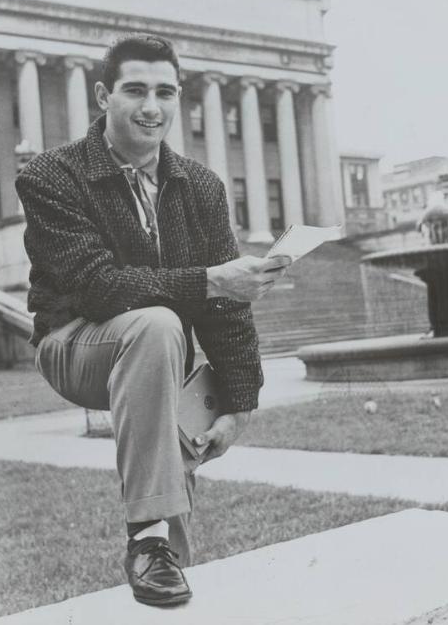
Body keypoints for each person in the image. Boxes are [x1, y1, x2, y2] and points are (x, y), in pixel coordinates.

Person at [16, 33, 290, 607]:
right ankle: (145, 536)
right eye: (135, 90)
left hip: (159, 355)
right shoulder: (51, 176)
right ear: (102, 96)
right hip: (74, 344)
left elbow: (227, 310)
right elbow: (98, 287)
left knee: (170, 402)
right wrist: (213, 279)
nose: (152, 107)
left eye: (165, 92)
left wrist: (239, 406)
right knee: (159, 325)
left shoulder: (202, 186)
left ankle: (163, 567)